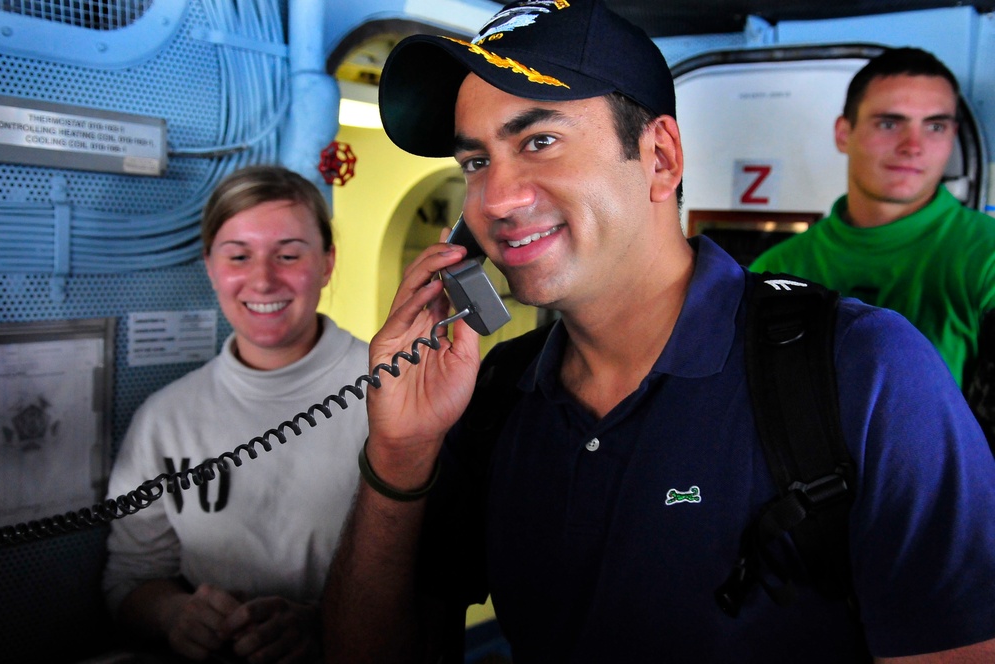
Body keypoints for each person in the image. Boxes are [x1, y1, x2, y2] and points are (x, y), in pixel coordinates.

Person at [322, 2, 995, 662]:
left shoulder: (868, 371)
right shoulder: (497, 396)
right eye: (475, 163)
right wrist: (400, 453)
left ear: (661, 157)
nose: (496, 199)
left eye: (539, 142)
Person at [102, 165, 369, 663]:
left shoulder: (394, 392)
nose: (263, 280)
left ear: (328, 263)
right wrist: (173, 614)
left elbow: (445, 573)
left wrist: (325, 622)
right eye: (239, 256)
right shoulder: (166, 417)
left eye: (288, 255)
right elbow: (132, 577)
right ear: (209, 266)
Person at [750, 47, 995, 409]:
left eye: (935, 126)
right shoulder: (776, 269)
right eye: (889, 123)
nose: (913, 146)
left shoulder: (987, 256)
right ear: (843, 133)